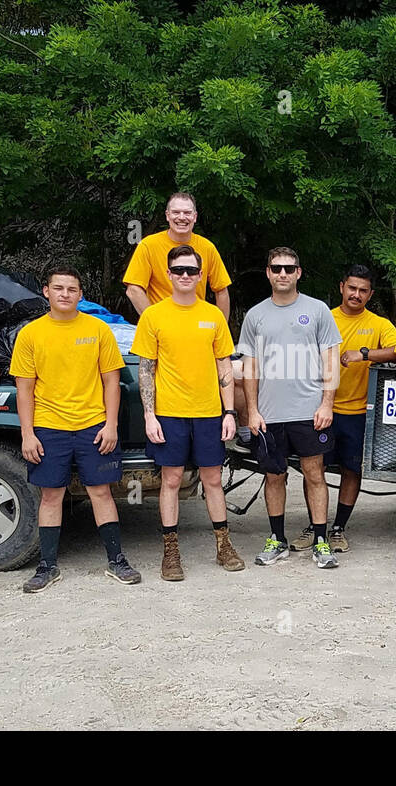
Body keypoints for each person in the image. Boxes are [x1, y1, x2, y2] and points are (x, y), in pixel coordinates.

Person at [12, 268, 141, 592]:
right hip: (48, 428)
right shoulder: (31, 334)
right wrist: (28, 434)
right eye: (59, 288)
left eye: (72, 289)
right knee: (51, 495)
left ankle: (116, 560)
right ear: (46, 292)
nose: (65, 294)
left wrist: (110, 425)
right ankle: (47, 566)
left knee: (101, 492)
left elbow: (112, 381)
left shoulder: (98, 330)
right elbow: (24, 390)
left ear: (81, 294)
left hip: (93, 427)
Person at [131, 244, 246, 580]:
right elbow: (146, 369)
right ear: (168, 274)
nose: (185, 276)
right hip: (169, 413)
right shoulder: (154, 315)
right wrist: (149, 415)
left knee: (212, 479)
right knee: (171, 479)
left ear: (200, 276)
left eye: (191, 271)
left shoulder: (212, 316)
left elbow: (224, 366)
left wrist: (229, 413)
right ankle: (171, 552)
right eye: (178, 270)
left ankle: (224, 545)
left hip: (209, 412)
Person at [240, 247, 343, 570]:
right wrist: (251, 412)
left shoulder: (317, 310)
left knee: (315, 474)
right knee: (274, 475)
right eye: (276, 268)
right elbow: (249, 368)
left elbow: (331, 362)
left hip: (310, 411)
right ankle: (276, 539)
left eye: (289, 268)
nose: (282, 273)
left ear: (299, 272)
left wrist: (327, 404)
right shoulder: (255, 315)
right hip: (269, 414)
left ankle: (321, 541)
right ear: (268, 273)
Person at [286, 264, 396, 553]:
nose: (356, 295)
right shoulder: (322, 317)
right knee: (314, 468)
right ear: (341, 287)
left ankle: (338, 529)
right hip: (318, 409)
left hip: (358, 412)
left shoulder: (379, 324)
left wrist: (364, 354)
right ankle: (315, 526)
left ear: (370, 294)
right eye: (352, 288)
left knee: (351, 470)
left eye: (363, 291)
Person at [123, 192, 231, 321]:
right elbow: (133, 290)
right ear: (167, 216)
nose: (181, 217)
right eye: (176, 212)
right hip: (162, 324)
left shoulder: (207, 247)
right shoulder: (148, 245)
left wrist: (221, 330)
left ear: (195, 217)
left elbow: (221, 290)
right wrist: (154, 322)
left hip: (196, 324)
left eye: (187, 213)